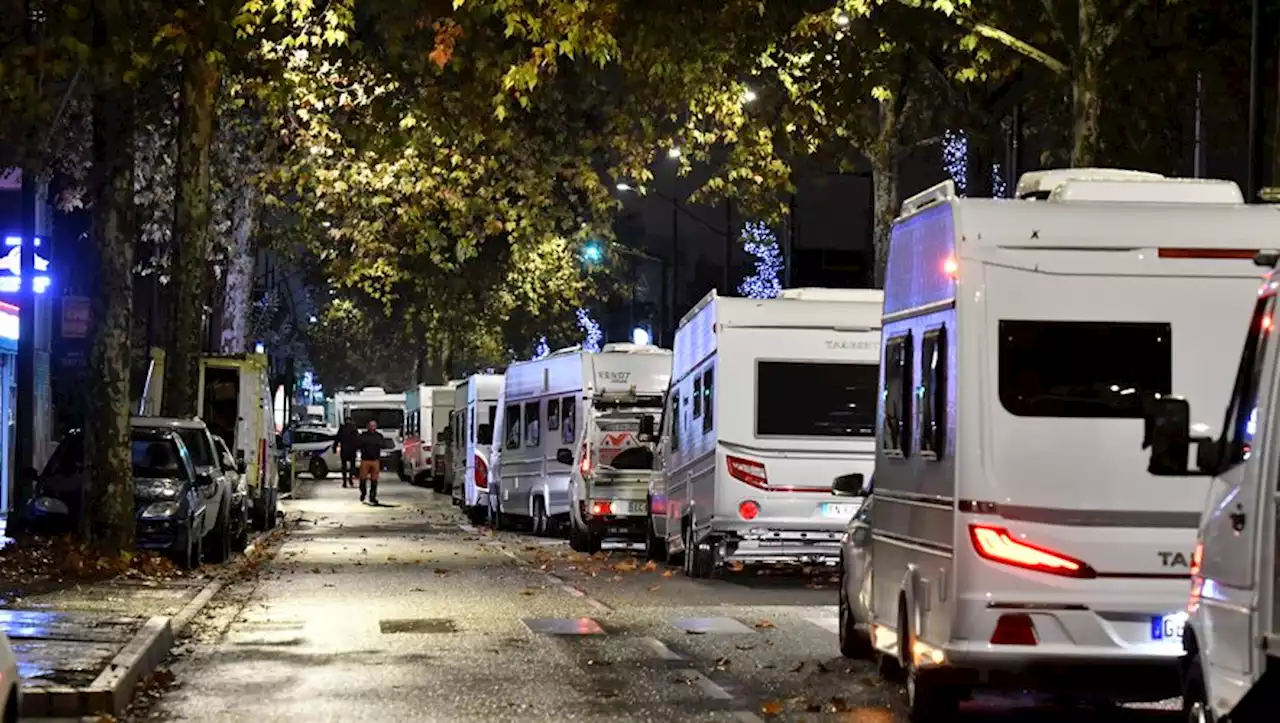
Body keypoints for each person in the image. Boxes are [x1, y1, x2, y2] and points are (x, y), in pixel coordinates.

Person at [356, 419, 385, 504]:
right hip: (365, 459)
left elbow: (383, 445)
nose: (372, 427)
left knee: (374, 480)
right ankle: (363, 492)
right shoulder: (363, 435)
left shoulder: (379, 436)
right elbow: (358, 444)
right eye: (371, 425)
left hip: (375, 460)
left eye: (374, 425)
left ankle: (372, 496)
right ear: (368, 426)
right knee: (362, 479)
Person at [333, 417, 360, 488]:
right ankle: (350, 479)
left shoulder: (342, 428)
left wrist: (335, 448)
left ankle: (344, 481)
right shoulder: (354, 428)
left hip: (344, 450)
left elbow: (337, 438)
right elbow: (357, 439)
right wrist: (358, 448)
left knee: (344, 466)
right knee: (352, 465)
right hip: (352, 450)